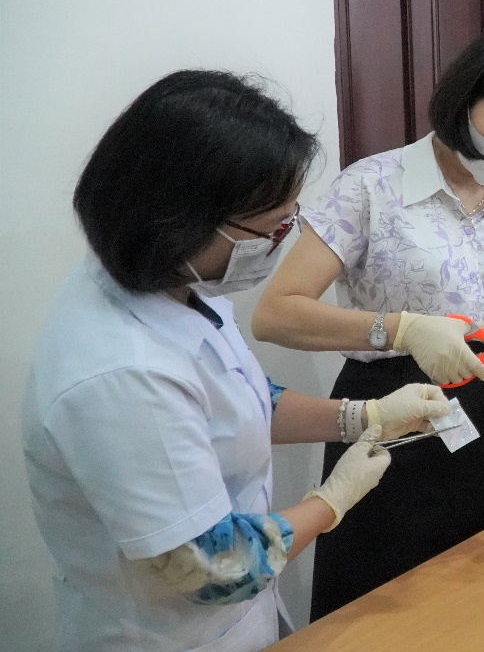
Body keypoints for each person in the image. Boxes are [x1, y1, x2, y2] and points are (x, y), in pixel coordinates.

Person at [22, 71, 450, 650]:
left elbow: (240, 398)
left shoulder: (172, 285)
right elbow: (211, 568)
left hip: (238, 624)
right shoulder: (122, 375)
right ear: (181, 220)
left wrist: (363, 416)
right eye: (273, 226)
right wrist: (332, 501)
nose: (281, 240)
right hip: (166, 636)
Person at [252, 22, 484, 618]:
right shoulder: (372, 186)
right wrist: (402, 328)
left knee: (481, 602)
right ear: (463, 100)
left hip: (481, 418)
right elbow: (276, 313)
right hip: (385, 413)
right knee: (379, 607)